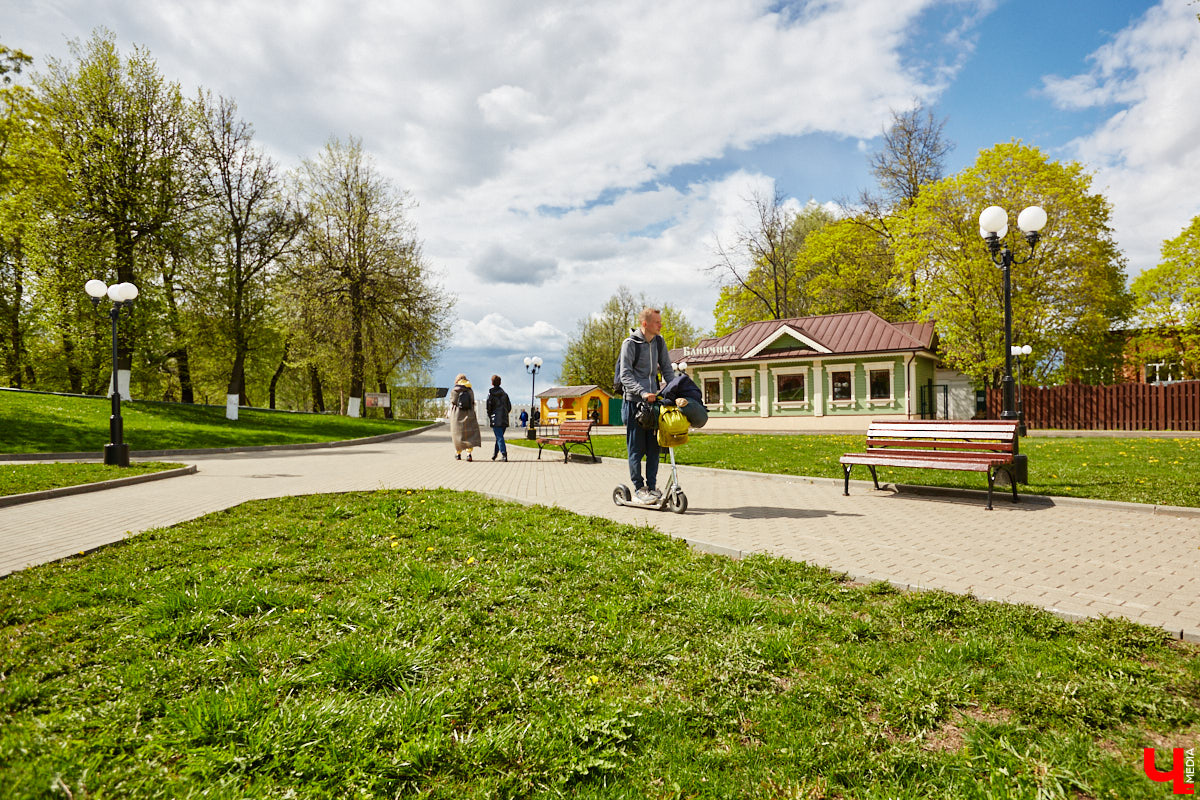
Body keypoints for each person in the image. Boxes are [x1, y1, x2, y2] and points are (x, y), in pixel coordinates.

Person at [617, 307, 674, 503]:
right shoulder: (630, 344)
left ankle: (652, 485)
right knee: (636, 448)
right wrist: (642, 392)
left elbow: (667, 369)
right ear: (645, 324)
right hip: (634, 403)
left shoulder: (659, 341)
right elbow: (625, 375)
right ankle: (639, 488)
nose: (660, 325)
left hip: (653, 403)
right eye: (657, 322)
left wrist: (673, 390)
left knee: (653, 448)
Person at [448, 373, 482, 460]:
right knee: (469, 434)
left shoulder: (455, 390)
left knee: (457, 434)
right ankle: (468, 454)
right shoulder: (470, 390)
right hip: (469, 413)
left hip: (457, 415)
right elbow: (472, 401)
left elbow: (453, 401)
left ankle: (458, 453)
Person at [486, 374, 512, 461]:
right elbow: (509, 407)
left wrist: (490, 415)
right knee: (499, 437)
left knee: (499, 437)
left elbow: (488, 407)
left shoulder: (491, 394)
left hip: (496, 418)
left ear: (492, 383)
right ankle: (495, 454)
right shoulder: (505, 394)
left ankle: (504, 454)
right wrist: (504, 413)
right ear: (500, 383)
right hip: (504, 418)